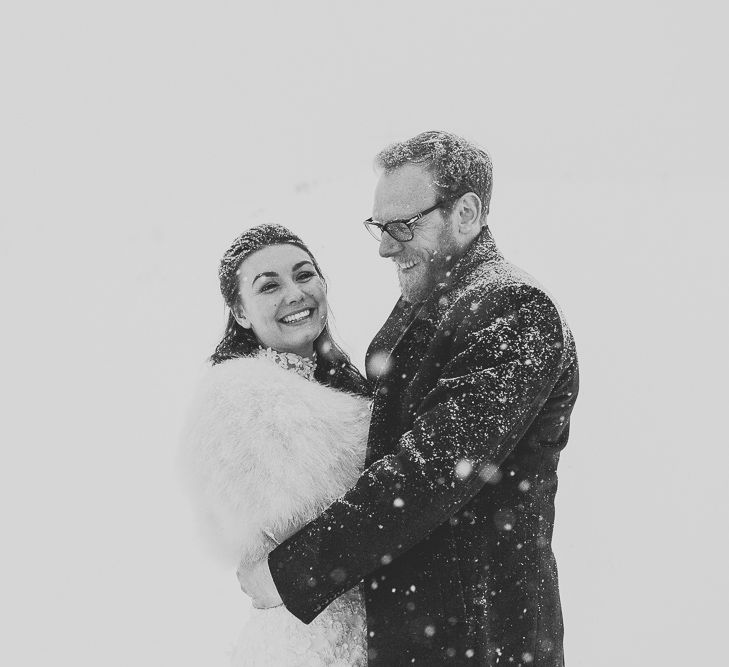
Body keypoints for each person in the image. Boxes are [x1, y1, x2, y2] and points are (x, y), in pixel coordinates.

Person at [239, 131, 579, 665]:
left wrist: (290, 573)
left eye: (402, 226)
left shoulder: (514, 310)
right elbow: (381, 437)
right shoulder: (426, 302)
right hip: (416, 636)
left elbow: (427, 474)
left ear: (465, 213)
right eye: (378, 226)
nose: (384, 246)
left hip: (481, 640)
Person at [180, 224, 371, 666]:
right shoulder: (243, 401)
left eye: (304, 275)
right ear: (241, 312)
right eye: (269, 285)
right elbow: (292, 535)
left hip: (370, 627)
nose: (295, 293)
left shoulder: (346, 385)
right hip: (308, 640)